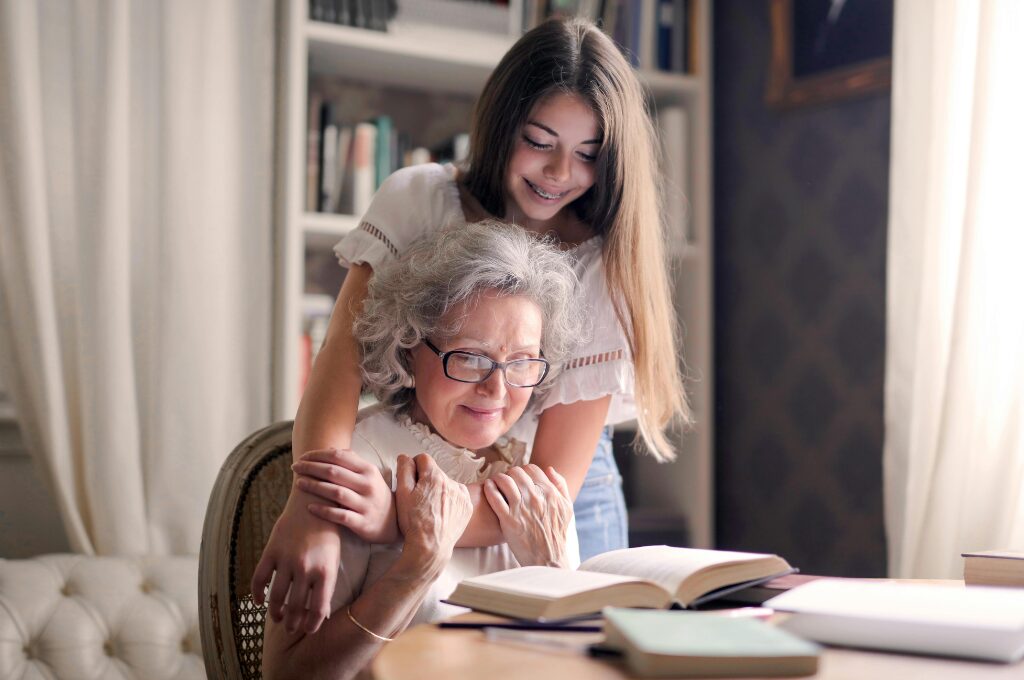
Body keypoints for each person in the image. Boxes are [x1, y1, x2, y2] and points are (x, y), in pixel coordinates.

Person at [254, 16, 691, 636]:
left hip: (553, 496)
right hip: (420, 463)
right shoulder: (419, 201)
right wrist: (314, 508)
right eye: (539, 141)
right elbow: (337, 372)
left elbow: (555, 482)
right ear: (501, 125)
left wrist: (394, 520)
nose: (560, 172)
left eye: (588, 154)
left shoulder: (602, 263)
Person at [261, 222, 582, 680]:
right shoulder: (357, 464)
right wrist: (415, 570)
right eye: (471, 356)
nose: (497, 388)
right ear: (410, 347)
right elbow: (287, 674)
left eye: (522, 363)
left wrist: (553, 571)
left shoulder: (536, 486)